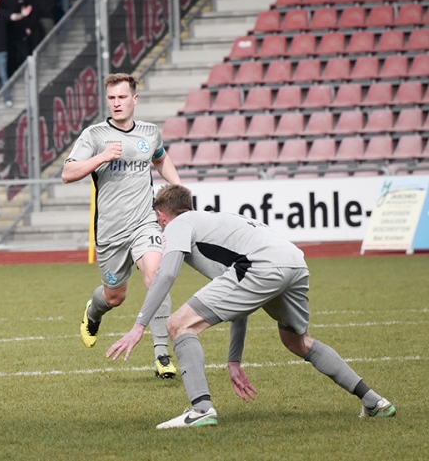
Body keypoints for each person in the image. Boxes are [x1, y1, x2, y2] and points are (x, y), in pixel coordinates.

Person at [107, 184, 398, 428]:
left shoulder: (178, 224)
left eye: (159, 221)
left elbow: (166, 274)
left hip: (262, 265)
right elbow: (238, 299)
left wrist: (139, 326)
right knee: (299, 342)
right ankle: (374, 401)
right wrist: (234, 360)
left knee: (178, 324)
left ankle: (201, 409)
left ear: (162, 216)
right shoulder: (215, 222)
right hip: (294, 262)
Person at [61, 73, 181, 379]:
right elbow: (68, 173)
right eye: (111, 98)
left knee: (156, 276)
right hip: (111, 231)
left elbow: (160, 158)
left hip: (144, 222)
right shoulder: (95, 135)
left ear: (134, 99)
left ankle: (162, 356)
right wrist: (101, 157)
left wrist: (179, 188)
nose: (116, 103)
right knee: (115, 296)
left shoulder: (149, 133)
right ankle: (93, 313)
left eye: (122, 97)